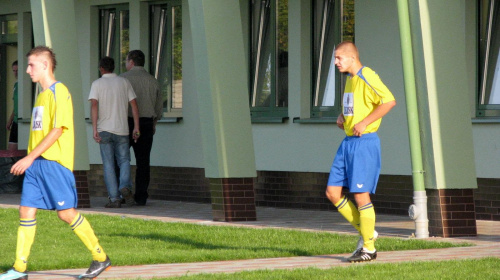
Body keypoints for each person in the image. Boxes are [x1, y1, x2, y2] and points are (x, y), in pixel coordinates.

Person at [0, 46, 111, 280]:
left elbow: (58, 130)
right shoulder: (40, 95)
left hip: (53, 163)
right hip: (36, 165)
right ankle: (19, 269)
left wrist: (28, 157)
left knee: (66, 214)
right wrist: (31, 159)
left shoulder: (59, 92)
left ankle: (100, 257)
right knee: (25, 210)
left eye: (31, 65)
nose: (27, 70)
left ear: (45, 65)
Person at [325, 41, 396, 263]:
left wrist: (364, 122)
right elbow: (354, 107)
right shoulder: (350, 80)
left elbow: (389, 101)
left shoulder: (368, 75)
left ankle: (369, 248)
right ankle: (368, 233)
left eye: (339, 58)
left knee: (360, 195)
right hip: (347, 143)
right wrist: (342, 116)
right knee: (332, 192)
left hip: (364, 143)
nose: (336, 62)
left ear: (352, 58)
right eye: (335, 59)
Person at [89, 57, 140, 208]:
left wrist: (94, 129)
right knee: (124, 160)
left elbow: (94, 105)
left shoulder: (97, 84)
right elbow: (134, 105)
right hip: (122, 129)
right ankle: (125, 186)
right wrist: (136, 127)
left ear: (101, 68)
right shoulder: (124, 82)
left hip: (104, 129)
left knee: (108, 164)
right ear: (113, 67)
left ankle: (114, 198)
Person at [120, 50, 162, 206]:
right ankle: (141, 196)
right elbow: (158, 109)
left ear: (131, 62)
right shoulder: (153, 80)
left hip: (126, 123)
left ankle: (123, 192)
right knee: (143, 161)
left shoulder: (122, 79)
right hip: (146, 123)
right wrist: (154, 124)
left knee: (122, 159)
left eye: (126, 60)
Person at [6, 60, 19, 151]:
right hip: (15, 120)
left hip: (22, 121)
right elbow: (16, 105)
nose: (15, 73)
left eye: (17, 70)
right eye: (14, 71)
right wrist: (10, 120)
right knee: (11, 150)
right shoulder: (16, 85)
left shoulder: (26, 84)